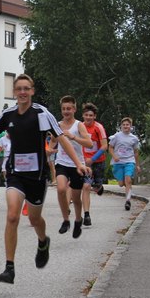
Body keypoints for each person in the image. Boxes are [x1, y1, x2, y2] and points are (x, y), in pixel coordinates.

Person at [0, 74, 85, 283]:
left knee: (34, 219)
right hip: (15, 174)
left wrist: (78, 163)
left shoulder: (42, 113)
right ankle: (9, 267)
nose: (22, 92)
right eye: (18, 88)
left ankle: (42, 241)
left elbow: (61, 139)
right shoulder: (8, 115)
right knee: (12, 216)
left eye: (26, 88)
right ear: (14, 92)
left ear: (32, 91)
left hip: (37, 176)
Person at [51, 96, 93, 239]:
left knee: (76, 198)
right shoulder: (57, 124)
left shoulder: (79, 125)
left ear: (74, 109)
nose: (66, 111)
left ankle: (78, 219)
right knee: (61, 188)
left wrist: (73, 137)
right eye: (63, 109)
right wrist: (50, 149)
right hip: (61, 162)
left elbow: (89, 144)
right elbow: (52, 142)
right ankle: (65, 220)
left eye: (69, 108)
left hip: (77, 165)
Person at [81, 103, 108, 226]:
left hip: (98, 161)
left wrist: (93, 158)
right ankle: (86, 215)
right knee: (86, 186)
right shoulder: (79, 127)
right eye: (86, 115)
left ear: (94, 116)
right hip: (85, 162)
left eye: (91, 115)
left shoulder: (98, 127)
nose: (88, 117)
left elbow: (104, 146)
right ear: (83, 115)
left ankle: (99, 187)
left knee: (96, 186)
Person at [109, 117, 141, 211]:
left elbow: (136, 152)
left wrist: (137, 165)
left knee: (128, 180)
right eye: (124, 125)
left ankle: (128, 200)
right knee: (121, 183)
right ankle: (129, 189)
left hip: (129, 161)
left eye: (127, 125)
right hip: (118, 162)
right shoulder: (116, 136)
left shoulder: (134, 139)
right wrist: (114, 156)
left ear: (131, 126)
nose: (125, 126)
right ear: (121, 126)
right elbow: (110, 148)